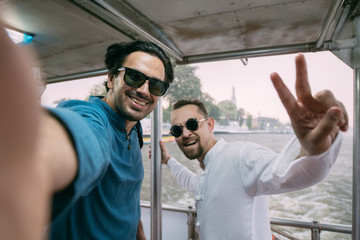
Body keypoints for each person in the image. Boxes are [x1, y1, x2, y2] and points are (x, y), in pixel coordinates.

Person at [0, 19, 174, 239]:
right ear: (112, 79)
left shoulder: (135, 130)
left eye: (156, 85)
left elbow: (127, 199)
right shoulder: (92, 117)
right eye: (134, 76)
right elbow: (77, 139)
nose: (144, 90)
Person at [154, 54, 348, 239]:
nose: (186, 133)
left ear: (211, 124)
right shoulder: (206, 173)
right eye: (177, 131)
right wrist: (168, 160)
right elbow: (191, 182)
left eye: (192, 124)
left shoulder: (241, 156)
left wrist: (314, 150)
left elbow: (284, 172)